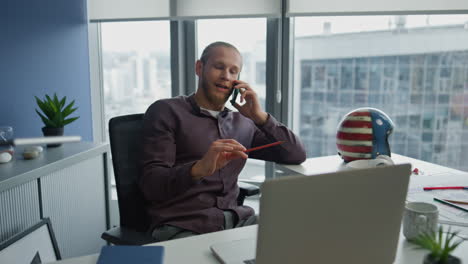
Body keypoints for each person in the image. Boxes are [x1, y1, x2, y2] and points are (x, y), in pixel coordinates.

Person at [139, 41, 306, 242]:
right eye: (219, 67)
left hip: (237, 222)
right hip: (184, 226)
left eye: (233, 71)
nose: (226, 76)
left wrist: (260, 117)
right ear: (199, 68)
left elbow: (295, 154)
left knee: (296, 236)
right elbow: (151, 185)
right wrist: (199, 168)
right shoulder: (166, 111)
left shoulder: (243, 123)